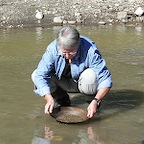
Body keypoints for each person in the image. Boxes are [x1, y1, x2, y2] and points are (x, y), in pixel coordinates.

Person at [31, 26, 112, 118]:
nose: (67, 56)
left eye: (71, 52)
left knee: (91, 75)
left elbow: (106, 79)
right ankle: (62, 100)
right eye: (64, 53)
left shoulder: (90, 50)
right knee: (35, 74)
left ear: (78, 44)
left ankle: (91, 103)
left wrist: (96, 100)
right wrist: (48, 98)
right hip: (62, 83)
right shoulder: (52, 49)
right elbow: (40, 75)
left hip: (83, 83)